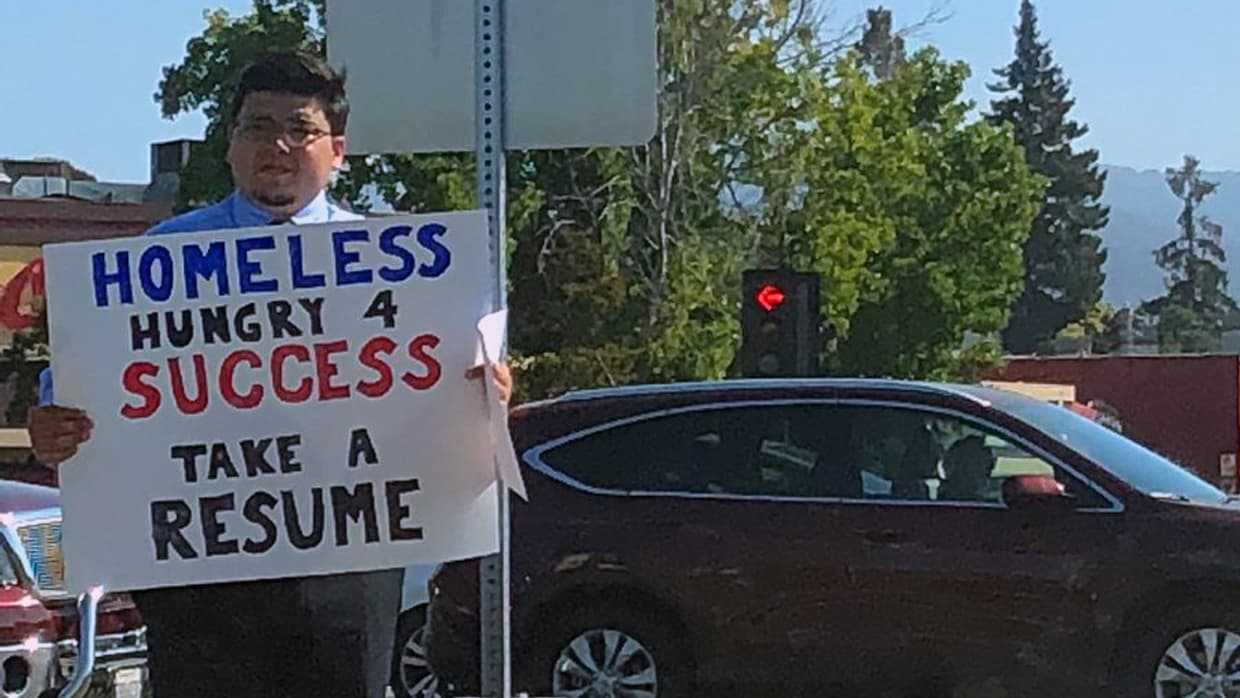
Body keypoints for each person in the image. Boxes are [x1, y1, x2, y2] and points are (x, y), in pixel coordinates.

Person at [28, 50, 513, 698]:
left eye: (299, 128)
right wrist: (53, 426)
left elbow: (463, 402)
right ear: (230, 146)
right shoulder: (161, 260)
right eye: (256, 127)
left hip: (349, 575)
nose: (276, 145)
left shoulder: (406, 274)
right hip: (200, 581)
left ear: (337, 151)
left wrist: (489, 398)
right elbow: (77, 394)